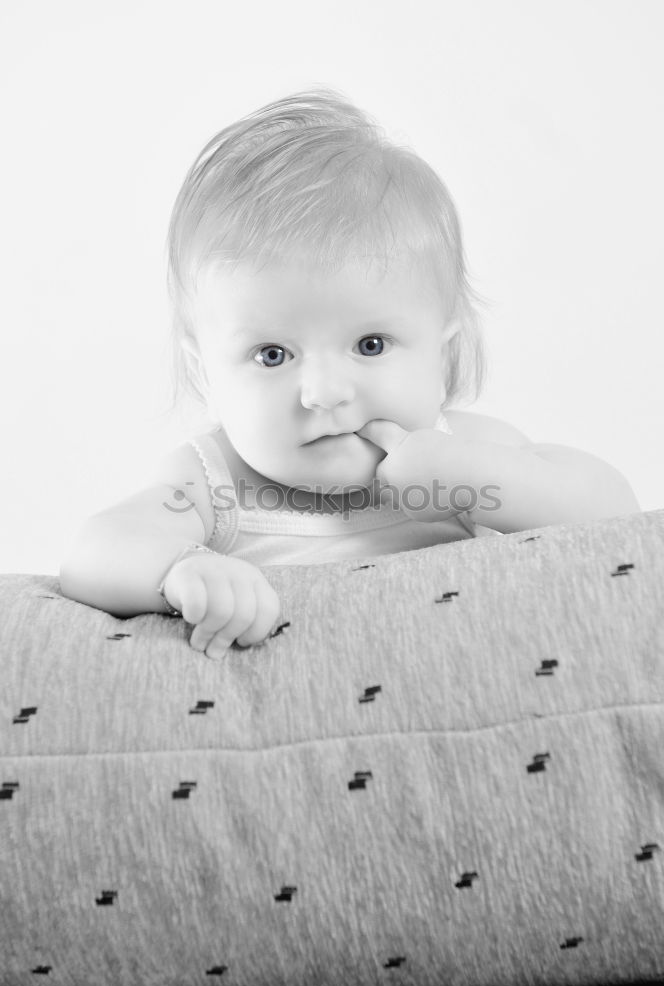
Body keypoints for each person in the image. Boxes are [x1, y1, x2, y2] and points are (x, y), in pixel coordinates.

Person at [59, 87, 641, 659]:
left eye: (369, 344)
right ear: (205, 370)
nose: (324, 394)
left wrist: (475, 475)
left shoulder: (465, 452)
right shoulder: (214, 484)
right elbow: (94, 551)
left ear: (440, 354)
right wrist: (182, 568)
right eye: (272, 355)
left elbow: (614, 515)